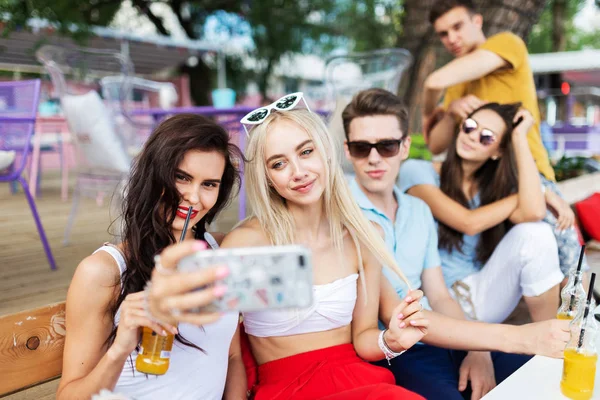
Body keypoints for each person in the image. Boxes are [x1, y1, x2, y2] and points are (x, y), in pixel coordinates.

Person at [342, 88, 569, 400]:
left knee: (539, 379)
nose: (374, 158)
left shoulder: (417, 210)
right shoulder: (344, 213)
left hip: (447, 331)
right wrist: (505, 338)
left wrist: (476, 347)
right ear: (347, 150)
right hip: (403, 346)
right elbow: (396, 314)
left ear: (405, 146)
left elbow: (439, 294)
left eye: (387, 146)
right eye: (360, 147)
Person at [58, 114, 247, 400]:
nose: (194, 197)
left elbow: (232, 357)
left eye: (209, 184)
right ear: (153, 175)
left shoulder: (218, 255)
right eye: (181, 177)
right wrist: (121, 347)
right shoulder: (104, 272)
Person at [422, 0, 587, 276]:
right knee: (516, 265)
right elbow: (435, 144)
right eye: (443, 33)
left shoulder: (506, 44)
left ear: (477, 22)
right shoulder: (457, 86)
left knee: (567, 258)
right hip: (485, 183)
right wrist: (449, 113)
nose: (451, 38)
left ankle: (583, 318)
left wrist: (429, 108)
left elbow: (433, 82)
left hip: (528, 172)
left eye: (457, 26)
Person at [400, 101, 565, 325]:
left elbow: (533, 212)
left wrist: (518, 138)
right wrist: (539, 193)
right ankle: (549, 337)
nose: (472, 136)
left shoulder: (494, 192)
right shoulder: (417, 172)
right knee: (536, 232)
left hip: (480, 293)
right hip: (439, 300)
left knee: (536, 233)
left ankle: (548, 337)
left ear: (498, 151)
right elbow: (468, 222)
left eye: (487, 136)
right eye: (469, 126)